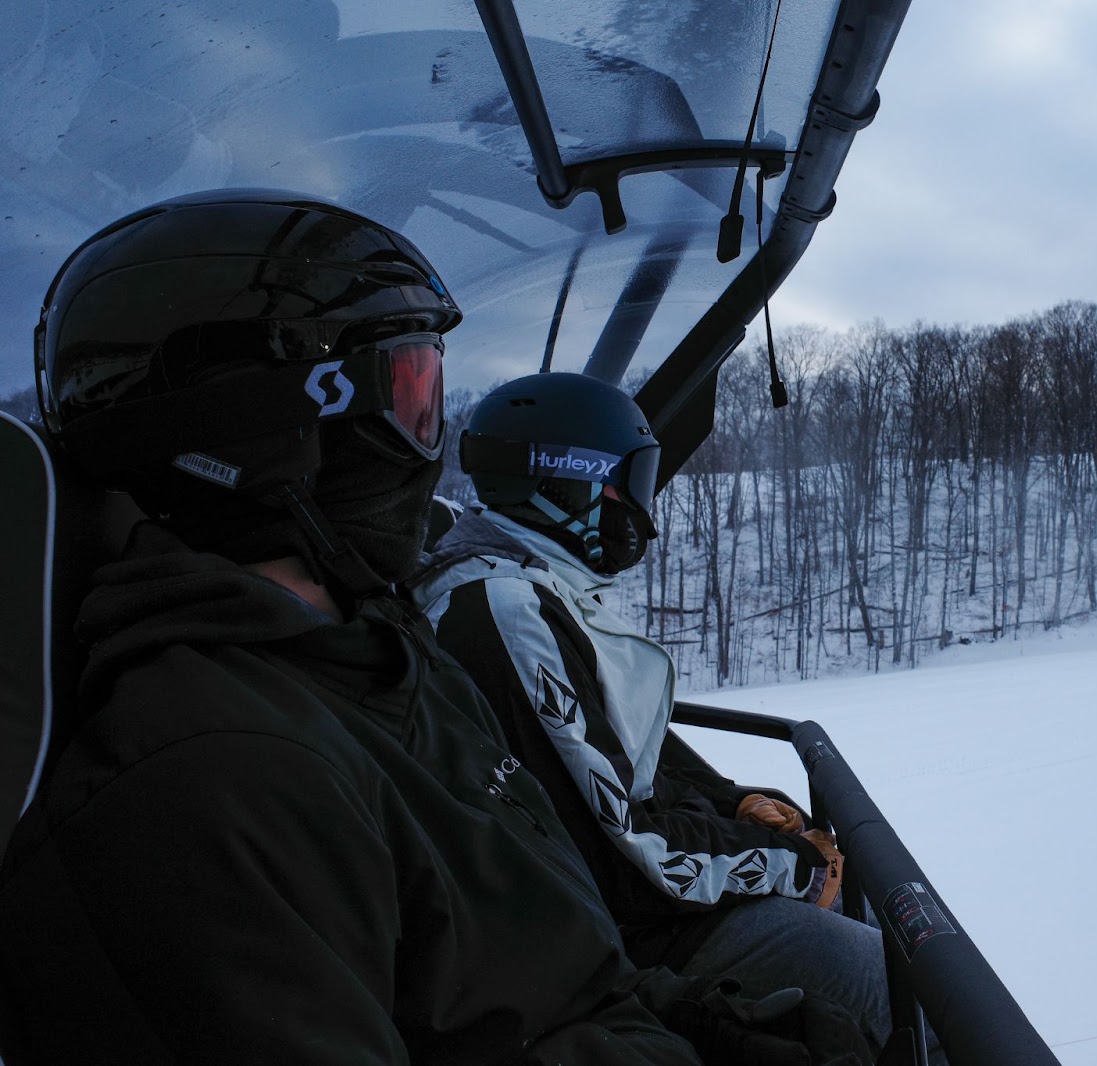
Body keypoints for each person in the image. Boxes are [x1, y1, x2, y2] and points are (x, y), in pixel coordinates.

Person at [0, 189, 872, 1066]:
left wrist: (710, 1030)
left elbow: (550, 954)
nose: (431, 445)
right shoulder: (213, 778)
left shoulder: (381, 655)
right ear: (274, 429)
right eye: (413, 399)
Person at [412, 372, 927, 1059]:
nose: (641, 514)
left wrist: (733, 804)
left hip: (618, 912)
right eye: (629, 485)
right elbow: (630, 853)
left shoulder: (529, 585)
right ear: (568, 481)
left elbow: (616, 770)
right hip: (613, 941)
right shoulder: (506, 611)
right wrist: (792, 864)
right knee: (916, 994)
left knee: (887, 950)